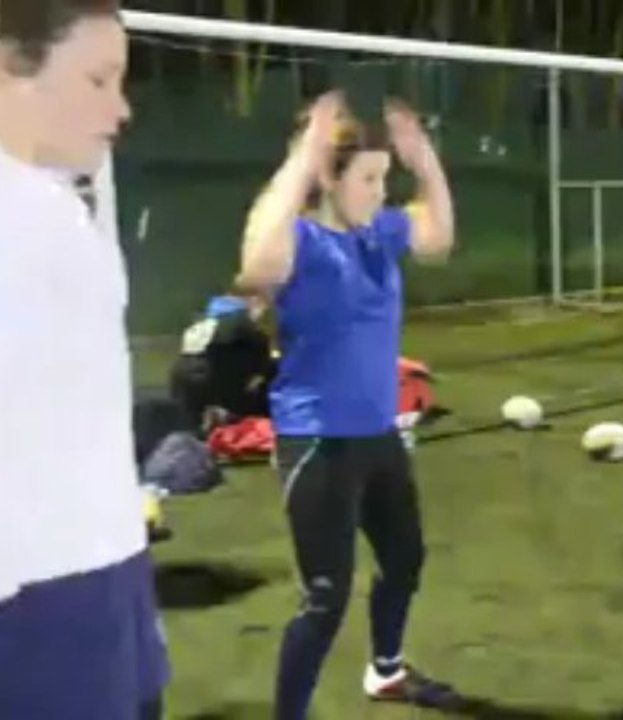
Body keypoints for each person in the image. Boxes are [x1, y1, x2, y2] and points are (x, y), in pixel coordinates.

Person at [0, 2, 169, 719]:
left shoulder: (63, 200)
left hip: (114, 576)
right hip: (19, 613)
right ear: (7, 68)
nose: (121, 107)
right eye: (98, 80)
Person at [236, 92, 458, 718]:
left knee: (405, 559)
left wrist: (424, 159)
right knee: (326, 596)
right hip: (317, 439)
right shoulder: (301, 241)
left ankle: (385, 671)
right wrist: (304, 158)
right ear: (328, 180)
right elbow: (256, 265)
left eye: (385, 179)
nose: (380, 192)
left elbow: (438, 238)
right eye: (368, 179)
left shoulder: (378, 237)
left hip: (378, 434)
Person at [169, 292, 277, 431]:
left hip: (187, 387)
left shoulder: (198, 330)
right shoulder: (240, 331)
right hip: (218, 388)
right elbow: (262, 364)